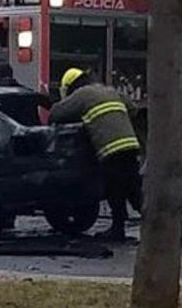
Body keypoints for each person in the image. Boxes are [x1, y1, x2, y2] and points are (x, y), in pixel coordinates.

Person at [48, 68, 142, 241]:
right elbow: (133, 108)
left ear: (70, 87)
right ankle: (155, 224)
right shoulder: (109, 90)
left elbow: (55, 113)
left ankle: (118, 229)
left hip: (111, 149)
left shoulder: (82, 95)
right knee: (133, 188)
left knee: (115, 190)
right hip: (130, 144)